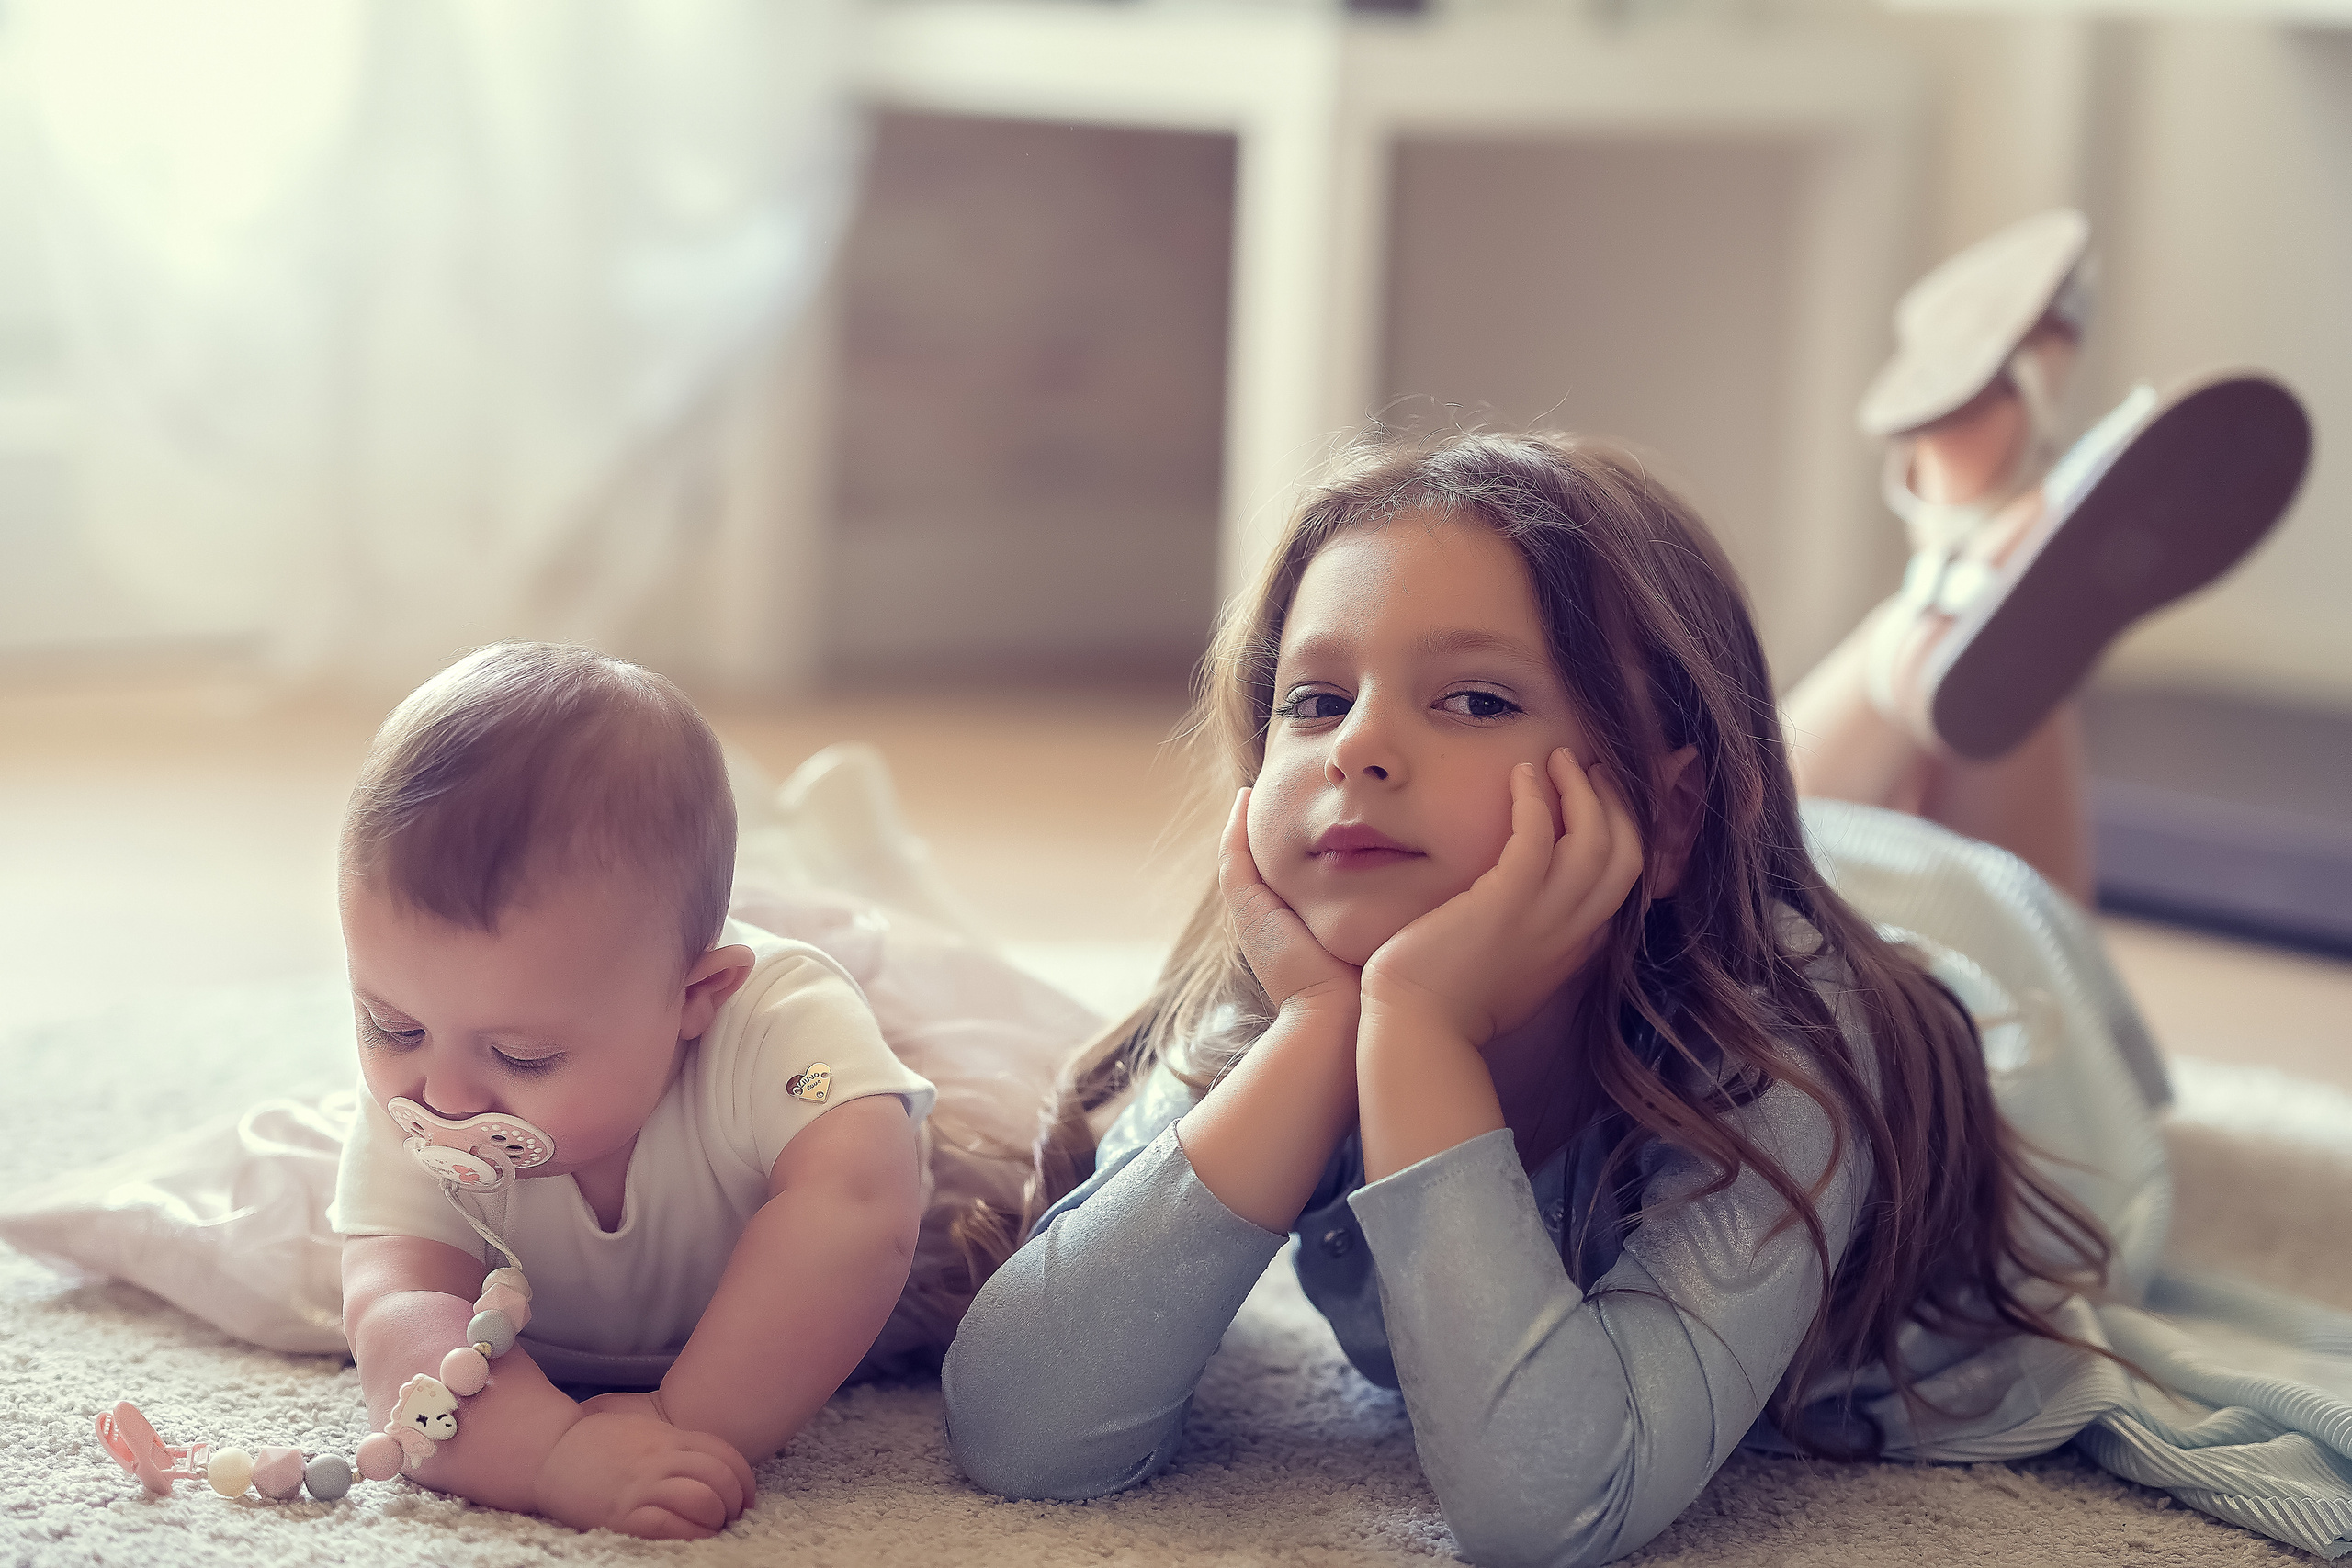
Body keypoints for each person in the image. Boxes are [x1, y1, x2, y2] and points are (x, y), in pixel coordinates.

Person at [940, 212, 2329, 1563]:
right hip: (1735, 854)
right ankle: (1956, 573)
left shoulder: (1788, 1052)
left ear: (1660, 819)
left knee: (2000, 883)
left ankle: (1966, 596)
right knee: (1749, 781)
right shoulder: (1288, 994)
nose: (1356, 742)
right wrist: (1322, 1031)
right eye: (1315, 698)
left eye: (1472, 696)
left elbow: (1556, 1502)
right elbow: (1019, 1427)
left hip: (1982, 986)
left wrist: (1414, 1030)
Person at [329, 643, 1088, 1538]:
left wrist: (684, 1418)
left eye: (523, 1054)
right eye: (392, 1026)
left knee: (992, 1063)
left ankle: (855, 850)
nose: (446, 1095)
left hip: (905, 1140)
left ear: (695, 999)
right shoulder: (424, 1096)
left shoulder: (777, 1022)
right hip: (638, 968)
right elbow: (398, 1312)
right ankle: (783, 834)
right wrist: (548, 1453)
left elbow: (857, 1211)